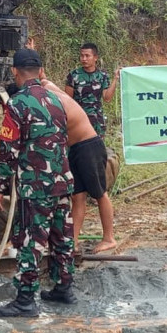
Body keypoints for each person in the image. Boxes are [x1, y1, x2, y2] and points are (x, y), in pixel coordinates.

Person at [0, 49, 76, 318]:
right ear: (40, 72)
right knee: (61, 236)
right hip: (62, 182)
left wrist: (1, 185)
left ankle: (25, 300)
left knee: (30, 240)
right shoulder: (57, 100)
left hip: (36, 186)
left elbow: (9, 150)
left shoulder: (16, 104)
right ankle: (64, 287)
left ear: (15, 72)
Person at [39, 72, 117, 254]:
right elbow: (40, 74)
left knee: (99, 194)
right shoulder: (48, 86)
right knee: (77, 196)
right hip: (76, 148)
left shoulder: (49, 98)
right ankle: (72, 241)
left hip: (89, 146)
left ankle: (109, 238)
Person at [65, 43, 119, 139]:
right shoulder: (74, 75)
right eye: (82, 56)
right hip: (79, 120)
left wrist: (115, 79)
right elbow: (67, 101)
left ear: (95, 57)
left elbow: (107, 98)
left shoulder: (102, 76)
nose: (84, 59)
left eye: (87, 56)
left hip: (97, 120)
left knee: (97, 150)